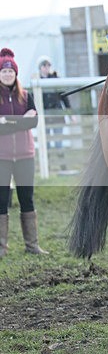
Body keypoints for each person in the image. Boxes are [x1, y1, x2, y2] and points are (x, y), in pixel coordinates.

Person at [0, 48, 47, 256]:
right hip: (2, 157)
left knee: (26, 198)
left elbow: (35, 121)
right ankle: (1, 246)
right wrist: (21, 121)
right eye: (3, 72)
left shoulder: (26, 96)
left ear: (16, 74)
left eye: (11, 72)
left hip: (25, 155)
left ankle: (32, 245)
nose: (7, 75)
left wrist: (7, 121)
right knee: (1, 200)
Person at [36, 56, 76, 154]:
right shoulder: (36, 81)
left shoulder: (56, 79)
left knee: (59, 142)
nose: (46, 67)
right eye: (44, 65)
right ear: (40, 67)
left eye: (48, 65)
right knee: (46, 143)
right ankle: (48, 165)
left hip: (57, 115)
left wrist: (70, 114)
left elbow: (65, 98)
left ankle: (62, 166)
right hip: (44, 116)